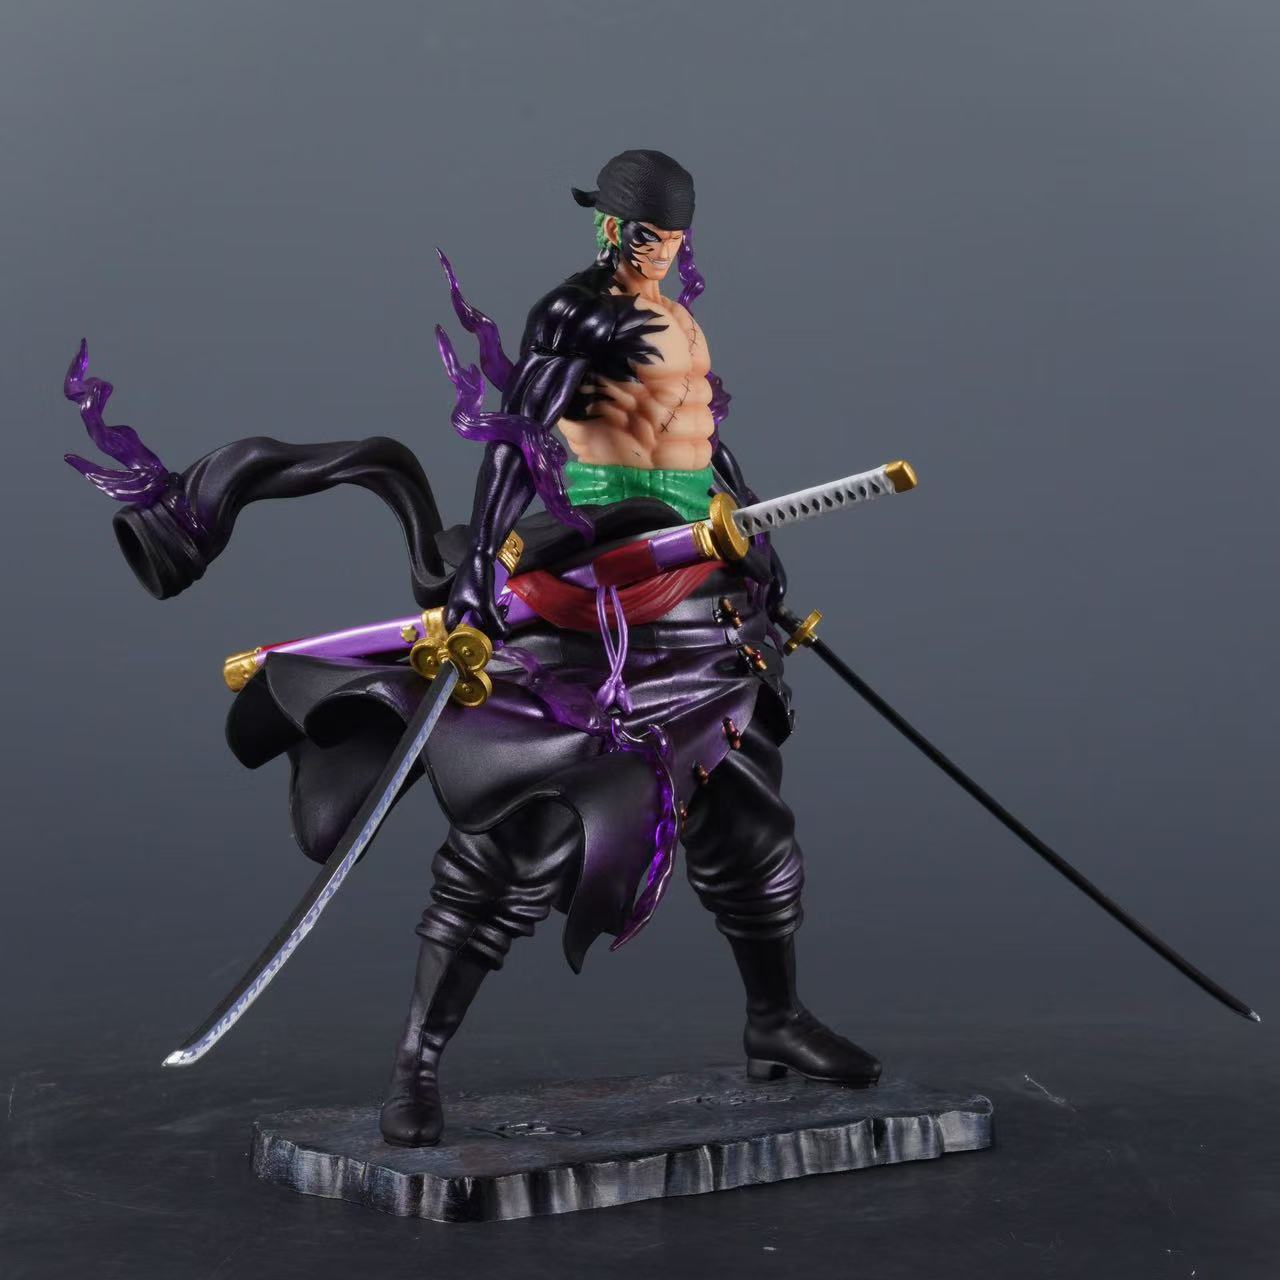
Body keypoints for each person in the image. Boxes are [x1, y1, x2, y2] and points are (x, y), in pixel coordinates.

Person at [65, 150, 881, 1151]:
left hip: (693, 611)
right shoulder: (572, 317)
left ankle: (775, 1019)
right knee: (517, 845)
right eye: (639, 235)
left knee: (749, 828)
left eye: (670, 239)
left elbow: (700, 440)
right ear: (604, 227)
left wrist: (754, 545)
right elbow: (516, 439)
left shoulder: (680, 319)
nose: (654, 254)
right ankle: (417, 1062)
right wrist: (481, 575)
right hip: (586, 599)